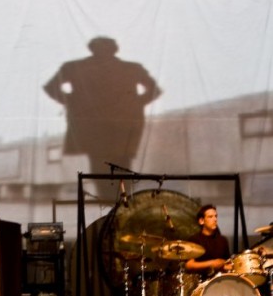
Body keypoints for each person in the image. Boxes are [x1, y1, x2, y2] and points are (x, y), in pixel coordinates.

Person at [43, 36, 162, 200]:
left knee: (102, 162)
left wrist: (72, 100)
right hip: (120, 123)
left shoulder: (75, 67)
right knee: (120, 161)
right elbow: (155, 90)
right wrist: (135, 103)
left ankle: (111, 200)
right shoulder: (131, 68)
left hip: (95, 124)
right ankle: (119, 200)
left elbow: (51, 88)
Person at [185, 204, 232, 281]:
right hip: (200, 282)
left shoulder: (223, 240)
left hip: (220, 280)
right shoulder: (194, 239)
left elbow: (227, 263)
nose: (215, 219)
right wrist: (212, 263)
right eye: (210, 217)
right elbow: (189, 265)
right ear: (201, 221)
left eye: (216, 216)